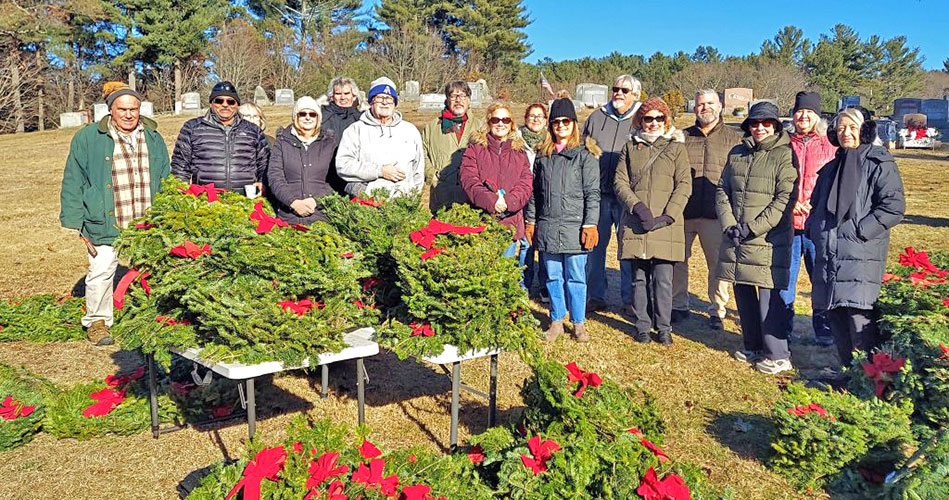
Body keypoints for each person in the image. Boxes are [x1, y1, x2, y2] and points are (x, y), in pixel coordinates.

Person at [59, 82, 171, 346]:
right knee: (101, 270)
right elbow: (73, 179)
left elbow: (166, 177)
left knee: (152, 270)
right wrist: (77, 224)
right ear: (110, 110)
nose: (129, 114)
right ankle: (97, 322)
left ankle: (151, 314)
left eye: (134, 109)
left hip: (146, 219)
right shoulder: (88, 138)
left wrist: (166, 214)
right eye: (122, 109)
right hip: (106, 218)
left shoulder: (153, 137)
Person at [807, 107, 905, 367]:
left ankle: (869, 381)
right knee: (836, 316)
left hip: (861, 254)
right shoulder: (830, 168)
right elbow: (816, 206)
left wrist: (860, 231)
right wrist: (813, 228)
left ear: (865, 130)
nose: (846, 133)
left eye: (852, 127)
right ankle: (848, 375)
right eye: (840, 129)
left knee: (859, 320)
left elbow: (893, 207)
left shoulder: (879, 162)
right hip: (830, 254)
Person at [716, 102, 798, 375]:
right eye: (755, 123)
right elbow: (722, 189)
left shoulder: (785, 155)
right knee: (742, 287)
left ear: (775, 125)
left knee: (768, 294)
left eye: (766, 123)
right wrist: (729, 224)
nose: (760, 128)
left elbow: (784, 199)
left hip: (767, 238)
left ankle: (777, 354)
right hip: (736, 235)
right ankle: (751, 344)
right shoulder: (737, 152)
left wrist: (753, 228)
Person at [614, 97, 691, 345]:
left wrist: (669, 215)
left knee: (663, 279)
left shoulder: (676, 148)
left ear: (666, 120)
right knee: (638, 278)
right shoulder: (629, 148)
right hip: (636, 221)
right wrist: (636, 206)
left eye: (659, 118)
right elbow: (620, 182)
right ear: (641, 120)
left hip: (665, 223)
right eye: (649, 118)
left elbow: (684, 184)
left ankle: (664, 327)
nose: (654, 123)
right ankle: (643, 325)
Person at [525, 95, 600, 342]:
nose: (560, 126)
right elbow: (535, 193)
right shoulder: (543, 156)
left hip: (575, 227)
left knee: (576, 277)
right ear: (550, 125)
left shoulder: (584, 155)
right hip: (548, 225)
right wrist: (531, 221)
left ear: (574, 124)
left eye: (566, 121)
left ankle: (578, 323)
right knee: (553, 276)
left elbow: (593, 193)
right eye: (556, 121)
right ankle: (556, 320)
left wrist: (590, 224)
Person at [673, 89, 742, 330]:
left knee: (718, 264)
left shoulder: (734, 139)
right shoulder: (682, 137)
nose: (705, 108)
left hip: (716, 213)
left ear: (720, 106)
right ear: (694, 108)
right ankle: (678, 305)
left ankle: (717, 309)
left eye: (710, 103)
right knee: (677, 260)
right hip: (685, 210)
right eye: (701, 104)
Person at [582, 75, 642, 313]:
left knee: (627, 248)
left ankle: (630, 299)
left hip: (627, 196)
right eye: (616, 89)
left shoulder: (641, 119)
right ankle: (596, 295)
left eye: (625, 90)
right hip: (598, 194)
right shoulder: (596, 118)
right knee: (594, 248)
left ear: (635, 94)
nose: (618, 93)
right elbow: (582, 150)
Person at [783, 91, 837, 346]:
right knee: (785, 277)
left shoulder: (829, 145)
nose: (803, 116)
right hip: (789, 224)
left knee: (821, 278)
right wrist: (791, 203)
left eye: (809, 112)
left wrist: (814, 206)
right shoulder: (784, 142)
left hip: (817, 224)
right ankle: (783, 325)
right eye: (799, 111)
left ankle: (824, 328)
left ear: (817, 115)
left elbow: (834, 183)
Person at [459, 102, 533, 259]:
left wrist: (507, 201)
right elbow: (469, 181)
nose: (501, 123)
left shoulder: (520, 153)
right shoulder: (475, 149)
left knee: (505, 275)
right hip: (481, 222)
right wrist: (492, 201)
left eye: (506, 120)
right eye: (496, 120)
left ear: (511, 124)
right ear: (488, 122)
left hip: (509, 223)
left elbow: (525, 185)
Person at [171, 81, 269, 195]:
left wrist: (263, 182)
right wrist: (182, 194)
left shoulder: (253, 130)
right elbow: (180, 165)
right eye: (219, 100)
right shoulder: (192, 128)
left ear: (237, 105)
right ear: (211, 103)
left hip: (245, 200)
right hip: (205, 201)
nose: (225, 105)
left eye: (231, 101)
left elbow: (265, 163)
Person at [335, 77, 424, 198]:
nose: (385, 102)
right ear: (371, 101)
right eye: (380, 98)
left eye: (389, 98)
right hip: (367, 204)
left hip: (403, 205)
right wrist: (379, 171)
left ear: (395, 103)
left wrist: (413, 198)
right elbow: (343, 165)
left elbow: (418, 171)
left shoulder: (410, 131)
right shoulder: (355, 130)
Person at [267, 97, 337, 225]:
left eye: (312, 114)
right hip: (289, 215)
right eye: (302, 114)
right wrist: (292, 202)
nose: (308, 117)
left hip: (322, 216)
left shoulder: (330, 143)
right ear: (295, 117)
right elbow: (275, 176)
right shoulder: (282, 142)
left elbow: (334, 180)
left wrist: (315, 201)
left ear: (318, 118)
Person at [423, 81, 477, 212]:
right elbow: (422, 154)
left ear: (469, 100)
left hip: (471, 196)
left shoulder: (480, 126)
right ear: (447, 100)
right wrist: (432, 175)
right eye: (453, 96)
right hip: (441, 194)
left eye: (463, 96)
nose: (458, 100)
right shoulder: (432, 126)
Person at [519, 104, 549, 300]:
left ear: (546, 120)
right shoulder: (516, 140)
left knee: (545, 241)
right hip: (522, 194)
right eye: (532, 116)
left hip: (544, 195)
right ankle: (524, 283)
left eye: (540, 116)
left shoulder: (551, 140)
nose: (535, 119)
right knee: (525, 241)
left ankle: (546, 285)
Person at [320, 77, 362, 194]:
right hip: (327, 177)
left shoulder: (362, 119)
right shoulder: (322, 117)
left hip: (354, 177)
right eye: (338, 94)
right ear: (332, 96)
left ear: (353, 95)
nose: (343, 97)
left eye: (346, 93)